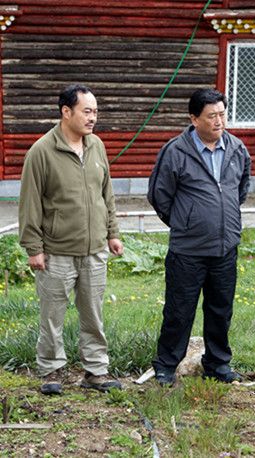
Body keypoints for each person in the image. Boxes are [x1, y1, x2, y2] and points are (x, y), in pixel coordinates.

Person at [19, 84, 124, 395]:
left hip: (95, 250)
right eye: (86, 111)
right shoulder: (41, 151)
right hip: (56, 252)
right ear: (66, 112)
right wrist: (34, 248)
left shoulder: (97, 146)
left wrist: (113, 233)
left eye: (95, 112)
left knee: (93, 314)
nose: (93, 118)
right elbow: (30, 204)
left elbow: (106, 194)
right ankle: (51, 371)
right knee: (52, 316)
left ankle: (96, 371)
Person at [148, 88, 251, 386]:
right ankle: (167, 365)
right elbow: (159, 195)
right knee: (179, 311)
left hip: (225, 248)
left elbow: (240, 189)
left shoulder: (237, 148)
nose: (219, 121)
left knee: (221, 310)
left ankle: (217, 364)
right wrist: (186, 222)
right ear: (194, 119)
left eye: (222, 114)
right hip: (188, 250)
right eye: (211, 116)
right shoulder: (175, 151)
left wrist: (222, 219)